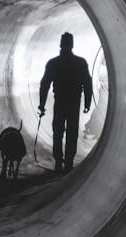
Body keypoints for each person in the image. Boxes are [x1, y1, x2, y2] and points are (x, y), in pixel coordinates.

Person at [38, 32, 93, 173]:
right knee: (72, 132)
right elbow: (87, 84)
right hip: (74, 102)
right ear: (72, 45)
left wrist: (42, 105)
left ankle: (58, 162)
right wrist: (87, 103)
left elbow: (45, 85)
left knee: (58, 131)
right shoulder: (80, 63)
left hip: (60, 102)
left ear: (61, 44)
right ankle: (68, 162)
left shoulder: (53, 63)